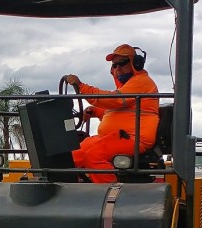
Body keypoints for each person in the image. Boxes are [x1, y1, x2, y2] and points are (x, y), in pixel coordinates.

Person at [64, 44, 160, 183]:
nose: (117, 68)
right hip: (115, 137)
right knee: (74, 154)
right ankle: (69, 192)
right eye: (114, 65)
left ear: (136, 64)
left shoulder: (141, 82)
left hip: (133, 139)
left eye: (122, 63)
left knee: (94, 155)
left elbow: (114, 101)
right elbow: (118, 112)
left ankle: (110, 196)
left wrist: (81, 87)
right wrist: (95, 111)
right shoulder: (126, 89)